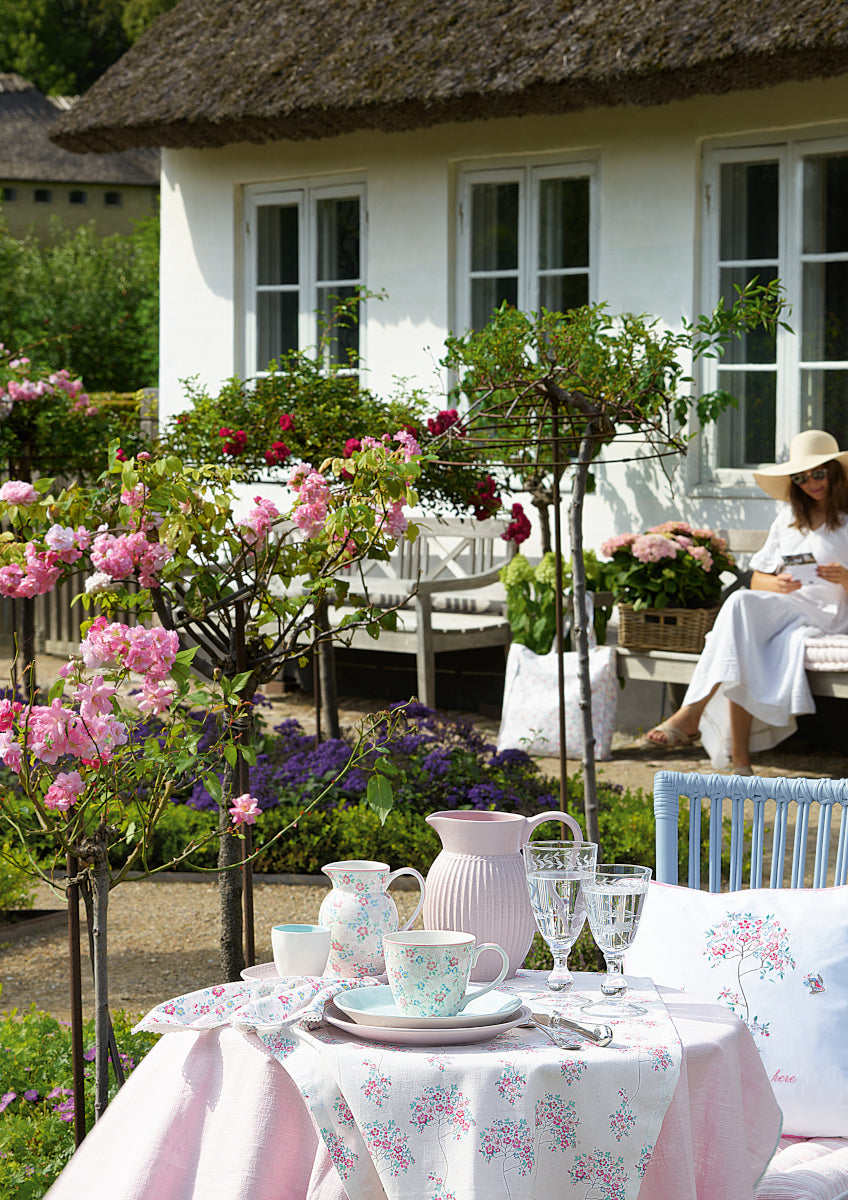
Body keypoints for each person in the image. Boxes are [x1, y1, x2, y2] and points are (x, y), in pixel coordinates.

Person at [644, 429, 848, 773]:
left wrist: (845, 577)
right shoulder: (788, 519)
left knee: (738, 617)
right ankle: (738, 761)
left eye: (818, 473)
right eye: (800, 477)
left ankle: (692, 713)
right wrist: (778, 582)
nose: (810, 482)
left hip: (830, 614)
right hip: (786, 607)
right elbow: (757, 578)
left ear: (835, 472)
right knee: (741, 622)